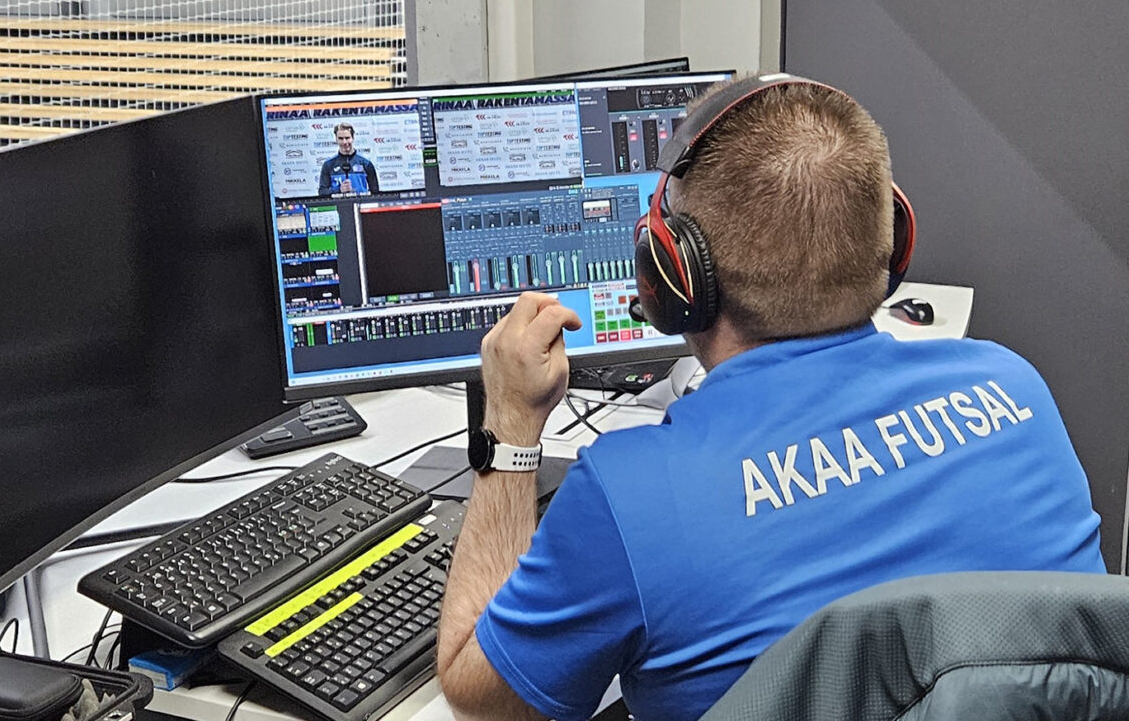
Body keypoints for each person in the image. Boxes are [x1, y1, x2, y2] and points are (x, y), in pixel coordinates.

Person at [435, 75, 1105, 721]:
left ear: (675, 275)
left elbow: (484, 700)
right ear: (891, 241)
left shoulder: (630, 497)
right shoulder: (1014, 388)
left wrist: (513, 425)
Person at [318, 122, 378, 195]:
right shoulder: (328, 165)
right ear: (336, 139)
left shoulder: (366, 163)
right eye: (340, 138)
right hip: (339, 205)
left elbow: (375, 192)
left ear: (353, 138)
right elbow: (322, 192)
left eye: (347, 138)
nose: (344, 142)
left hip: (360, 204)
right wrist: (338, 189)